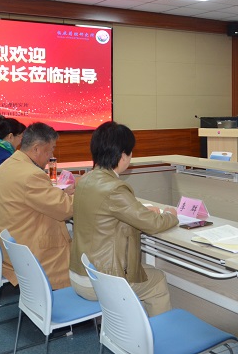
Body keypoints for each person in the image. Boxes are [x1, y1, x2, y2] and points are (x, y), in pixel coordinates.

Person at [69, 121, 179, 316]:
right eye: (130, 152)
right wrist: (171, 215)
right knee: (157, 281)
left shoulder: (85, 180)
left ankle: (129, 325)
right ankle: (157, 332)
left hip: (80, 273)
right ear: (122, 156)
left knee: (144, 273)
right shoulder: (115, 189)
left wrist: (143, 211)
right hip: (101, 283)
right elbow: (153, 224)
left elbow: (110, 214)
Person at [0, 122, 75, 290]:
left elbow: (35, 199)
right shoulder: (31, 175)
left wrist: (61, 195)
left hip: (11, 249)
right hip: (33, 255)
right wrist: (85, 193)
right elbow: (66, 210)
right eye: (50, 150)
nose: (51, 155)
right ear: (36, 149)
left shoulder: (8, 165)